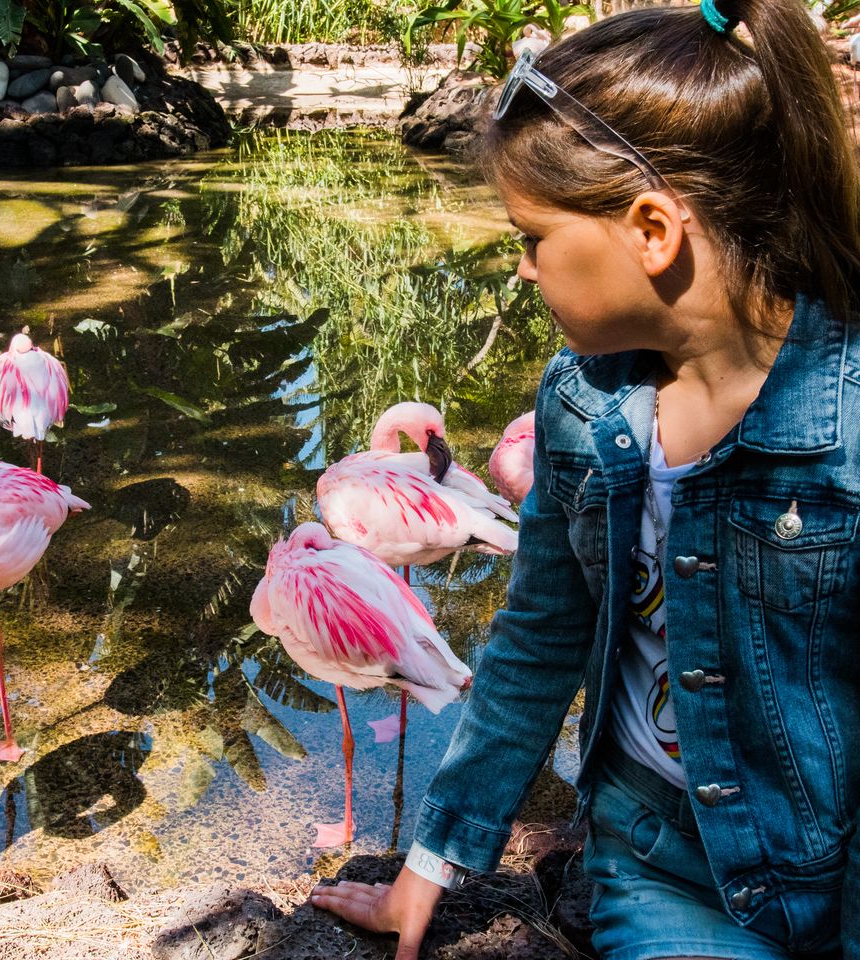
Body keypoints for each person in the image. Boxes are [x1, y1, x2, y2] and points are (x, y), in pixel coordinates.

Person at [311, 1, 860, 957]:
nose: (522, 269)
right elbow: (536, 640)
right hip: (662, 868)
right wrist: (431, 863)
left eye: (532, 238)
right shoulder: (579, 406)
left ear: (653, 230)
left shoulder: (847, 416)